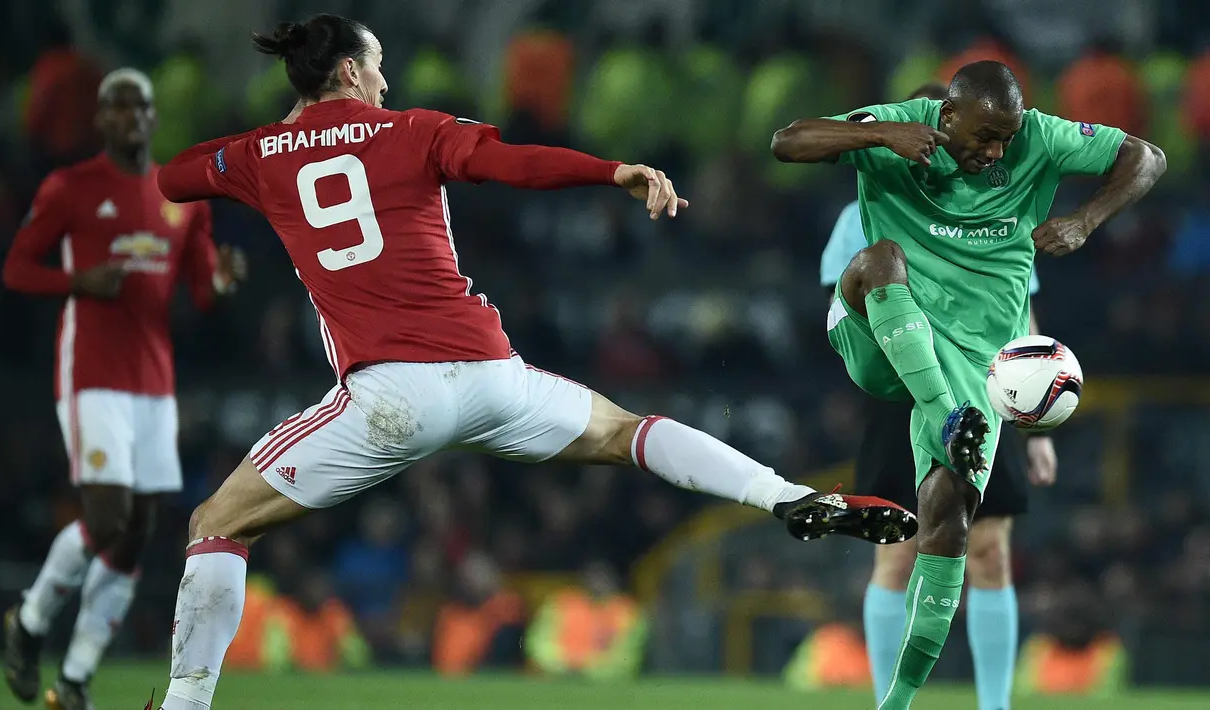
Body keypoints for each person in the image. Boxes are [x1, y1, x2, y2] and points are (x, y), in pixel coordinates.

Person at [147, 15, 917, 710]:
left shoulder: (252, 156)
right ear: (349, 72)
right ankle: (783, 496)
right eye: (376, 64)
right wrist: (612, 171)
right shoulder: (414, 129)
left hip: (389, 395)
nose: (385, 78)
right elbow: (508, 162)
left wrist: (282, 133)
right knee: (626, 431)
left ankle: (184, 706)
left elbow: (172, 177)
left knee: (217, 523)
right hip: (490, 374)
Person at [772, 61, 1165, 709]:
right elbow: (786, 141)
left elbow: (1145, 157)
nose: (996, 152)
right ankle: (947, 420)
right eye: (984, 137)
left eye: (1005, 139)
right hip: (881, 341)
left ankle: (897, 702)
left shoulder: (1037, 136)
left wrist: (1085, 219)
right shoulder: (896, 129)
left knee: (948, 526)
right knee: (879, 259)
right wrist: (877, 137)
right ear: (945, 117)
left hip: (978, 375)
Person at [2, 69, 247, 710]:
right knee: (107, 517)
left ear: (153, 118)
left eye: (140, 107)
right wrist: (78, 283)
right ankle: (29, 621)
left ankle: (76, 677)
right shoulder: (71, 188)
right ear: (101, 120)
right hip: (91, 372)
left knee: (137, 531)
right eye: (117, 107)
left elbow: (200, 293)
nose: (130, 117)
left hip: (153, 379)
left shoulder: (182, 197)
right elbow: (17, 268)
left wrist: (219, 285)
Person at [818, 82, 1059, 710]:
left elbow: (1021, 314)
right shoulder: (862, 215)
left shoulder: (1000, 204)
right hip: (903, 397)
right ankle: (886, 702)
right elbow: (849, 309)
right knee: (895, 554)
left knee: (990, 553)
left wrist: (1037, 425)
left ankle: (995, 705)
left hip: (986, 392)